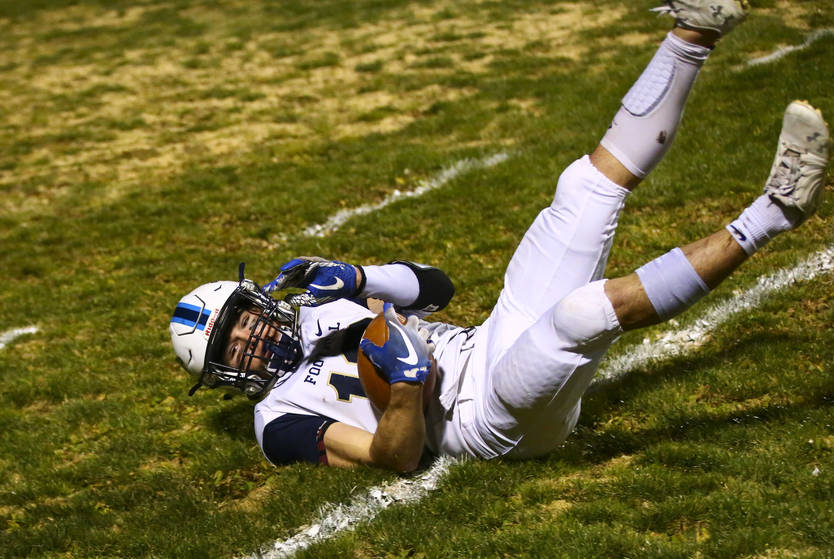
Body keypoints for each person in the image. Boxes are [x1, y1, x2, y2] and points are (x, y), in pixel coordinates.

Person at [169, 0, 829, 472]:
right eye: (230, 343)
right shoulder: (277, 421)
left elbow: (436, 286)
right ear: (225, 375)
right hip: (481, 421)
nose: (249, 337)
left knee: (583, 188)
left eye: (242, 320)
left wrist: (360, 276)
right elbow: (391, 457)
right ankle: (775, 211)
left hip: (486, 342)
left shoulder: (318, 309)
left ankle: (696, 28)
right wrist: (402, 391)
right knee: (579, 315)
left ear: (258, 302)